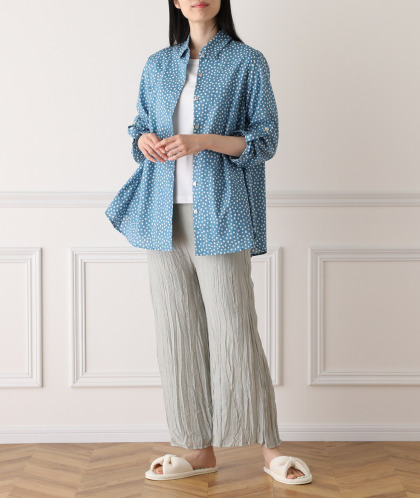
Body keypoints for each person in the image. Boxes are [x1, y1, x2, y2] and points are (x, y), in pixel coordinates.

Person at [105, 0, 312, 486]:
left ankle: (270, 449)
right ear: (175, 2)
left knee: (234, 329)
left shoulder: (247, 61)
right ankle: (197, 450)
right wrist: (143, 140)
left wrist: (203, 140)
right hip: (161, 216)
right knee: (176, 333)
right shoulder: (158, 64)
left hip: (221, 212)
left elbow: (264, 140)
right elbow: (139, 126)